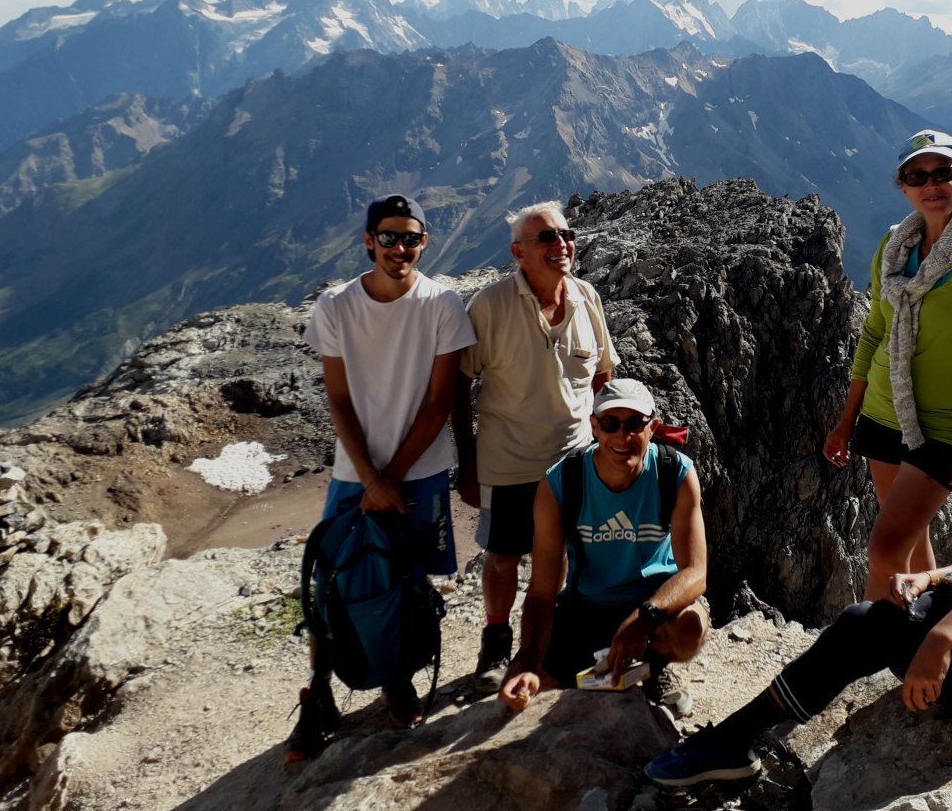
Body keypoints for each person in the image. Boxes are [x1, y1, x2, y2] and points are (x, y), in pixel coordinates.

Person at [647, 337, 952, 787]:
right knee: (863, 621)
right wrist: (932, 576)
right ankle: (735, 740)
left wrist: (942, 637)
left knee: (949, 685)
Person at [286, 193, 477, 762]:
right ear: (368, 241)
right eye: (388, 237)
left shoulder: (442, 305)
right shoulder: (336, 306)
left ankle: (398, 680)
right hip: (360, 473)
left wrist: (387, 478)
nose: (399, 248)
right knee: (333, 585)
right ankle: (319, 694)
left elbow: (442, 400)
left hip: (414, 472)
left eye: (410, 238)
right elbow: (338, 400)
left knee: (408, 581)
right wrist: (373, 479)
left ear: (425, 243)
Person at [823, 128, 952, 601]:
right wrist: (846, 420)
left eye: (943, 172)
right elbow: (875, 330)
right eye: (917, 176)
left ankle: (869, 648)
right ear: (903, 186)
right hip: (881, 411)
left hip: (943, 427)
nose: (931, 184)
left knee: (884, 551)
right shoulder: (896, 245)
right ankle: (924, 640)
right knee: (913, 547)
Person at [454, 201, 618, 693]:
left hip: (573, 458)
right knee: (504, 556)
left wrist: (608, 442)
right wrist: (467, 463)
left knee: (561, 558)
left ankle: (544, 645)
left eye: (566, 234)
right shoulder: (489, 305)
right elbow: (459, 384)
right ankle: (496, 636)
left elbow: (604, 374)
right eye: (546, 238)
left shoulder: (587, 297)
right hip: (508, 461)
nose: (561, 244)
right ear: (518, 252)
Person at [499, 378, 709, 717]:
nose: (622, 437)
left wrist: (643, 619)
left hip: (653, 605)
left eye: (634, 425)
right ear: (594, 426)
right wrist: (529, 663)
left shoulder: (675, 473)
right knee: (520, 697)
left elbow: (695, 573)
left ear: (652, 427)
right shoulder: (561, 483)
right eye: (611, 424)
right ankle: (611, 670)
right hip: (586, 606)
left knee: (689, 628)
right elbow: (541, 592)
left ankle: (651, 669)